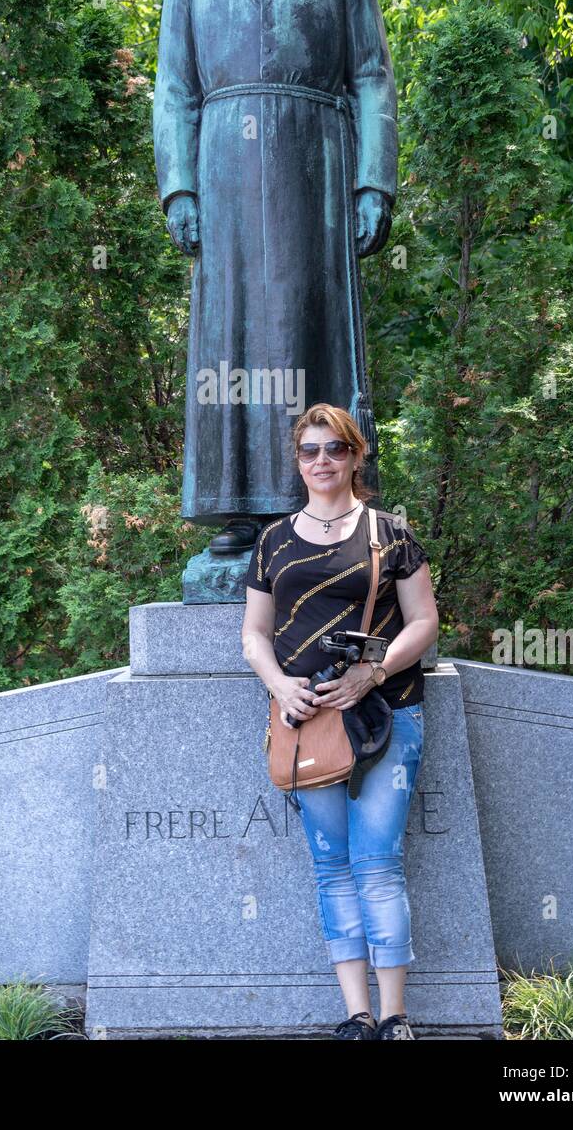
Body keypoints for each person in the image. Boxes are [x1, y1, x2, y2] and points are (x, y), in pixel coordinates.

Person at [152, 0, 397, 555]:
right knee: (234, 333)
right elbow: (173, 91)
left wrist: (372, 183)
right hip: (224, 174)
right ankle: (237, 508)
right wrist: (180, 186)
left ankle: (315, 503)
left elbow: (372, 79)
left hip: (313, 169)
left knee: (305, 324)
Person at [241, 402, 439, 1040]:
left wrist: (371, 674)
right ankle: (355, 1016)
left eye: (334, 449)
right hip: (306, 723)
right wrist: (279, 688)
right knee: (330, 864)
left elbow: (424, 624)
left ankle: (394, 1019)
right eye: (309, 451)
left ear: (355, 456)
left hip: (385, 714)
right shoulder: (273, 541)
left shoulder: (390, 534)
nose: (321, 461)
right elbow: (253, 634)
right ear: (297, 463)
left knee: (378, 860)